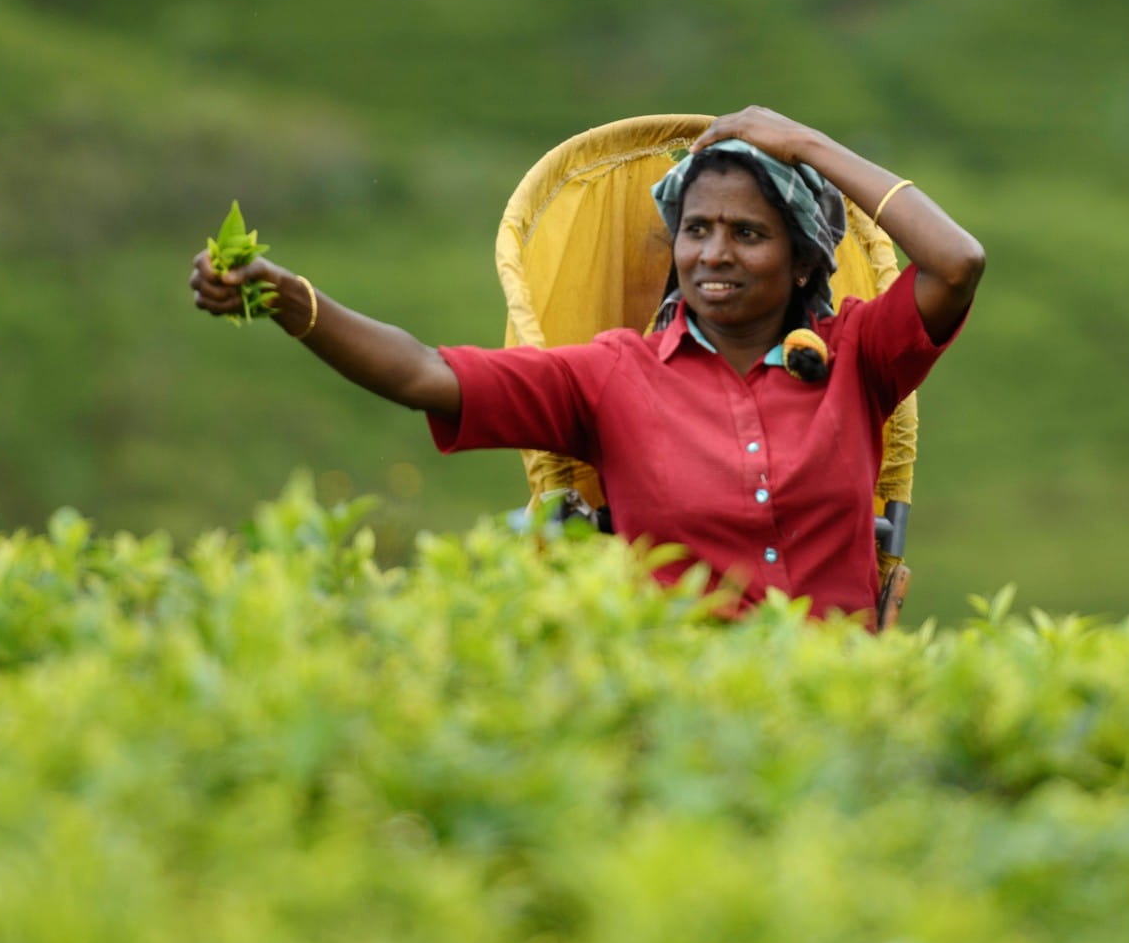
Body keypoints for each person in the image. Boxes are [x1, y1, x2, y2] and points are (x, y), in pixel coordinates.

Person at [188, 106, 984, 625]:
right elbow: (421, 374)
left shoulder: (856, 356)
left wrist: (805, 144)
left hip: (844, 709)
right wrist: (292, 301)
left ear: (804, 259)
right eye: (697, 229)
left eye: (748, 234)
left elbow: (958, 262)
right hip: (680, 719)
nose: (714, 253)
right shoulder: (612, 376)